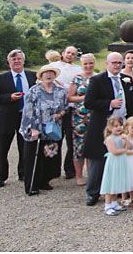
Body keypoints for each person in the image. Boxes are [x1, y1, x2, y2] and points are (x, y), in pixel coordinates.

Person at [83, 52, 133, 207]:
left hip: (123, 125)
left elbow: (130, 103)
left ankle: (118, 190)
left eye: (120, 63)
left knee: (120, 159)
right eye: (114, 62)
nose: (117, 65)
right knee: (98, 160)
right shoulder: (97, 80)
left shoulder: (126, 80)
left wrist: (131, 122)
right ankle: (93, 192)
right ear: (107, 64)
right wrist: (109, 103)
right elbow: (89, 102)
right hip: (103, 125)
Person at [0, 49, 36, 187]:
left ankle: (24, 173)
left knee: (25, 148)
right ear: (9, 62)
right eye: (13, 59)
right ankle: (0, 177)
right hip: (5, 118)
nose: (17, 61)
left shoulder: (32, 76)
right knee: (2, 149)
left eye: (19, 59)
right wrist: (9, 97)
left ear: (23, 61)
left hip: (26, 117)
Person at [19, 63, 68, 195]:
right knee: (33, 157)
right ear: (40, 76)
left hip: (52, 130)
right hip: (36, 128)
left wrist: (60, 114)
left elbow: (65, 108)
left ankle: (44, 181)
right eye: (45, 73)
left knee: (49, 155)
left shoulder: (60, 91)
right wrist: (32, 129)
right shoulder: (34, 91)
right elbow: (28, 111)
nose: (48, 75)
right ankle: (32, 185)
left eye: (51, 73)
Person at [67, 53, 97, 185]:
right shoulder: (77, 79)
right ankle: (79, 175)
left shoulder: (98, 77)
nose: (88, 66)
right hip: (79, 117)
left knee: (93, 146)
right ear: (81, 64)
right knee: (79, 146)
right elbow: (69, 97)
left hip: (95, 116)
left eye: (90, 63)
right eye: (85, 63)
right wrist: (84, 99)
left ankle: (92, 174)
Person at [53, 46, 82, 179]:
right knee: (55, 139)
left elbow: (77, 88)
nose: (70, 55)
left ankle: (69, 169)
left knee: (72, 140)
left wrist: (65, 87)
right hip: (55, 108)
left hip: (71, 108)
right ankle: (53, 169)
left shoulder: (78, 70)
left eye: (73, 54)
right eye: (68, 53)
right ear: (63, 53)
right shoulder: (53, 66)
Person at [99, 116, 131, 216]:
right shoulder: (109, 139)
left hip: (121, 161)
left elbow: (130, 146)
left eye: (120, 125)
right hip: (114, 161)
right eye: (115, 126)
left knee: (117, 182)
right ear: (109, 128)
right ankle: (107, 205)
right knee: (111, 182)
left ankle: (114, 202)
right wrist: (125, 150)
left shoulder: (122, 137)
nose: (119, 128)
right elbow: (114, 151)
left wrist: (127, 139)